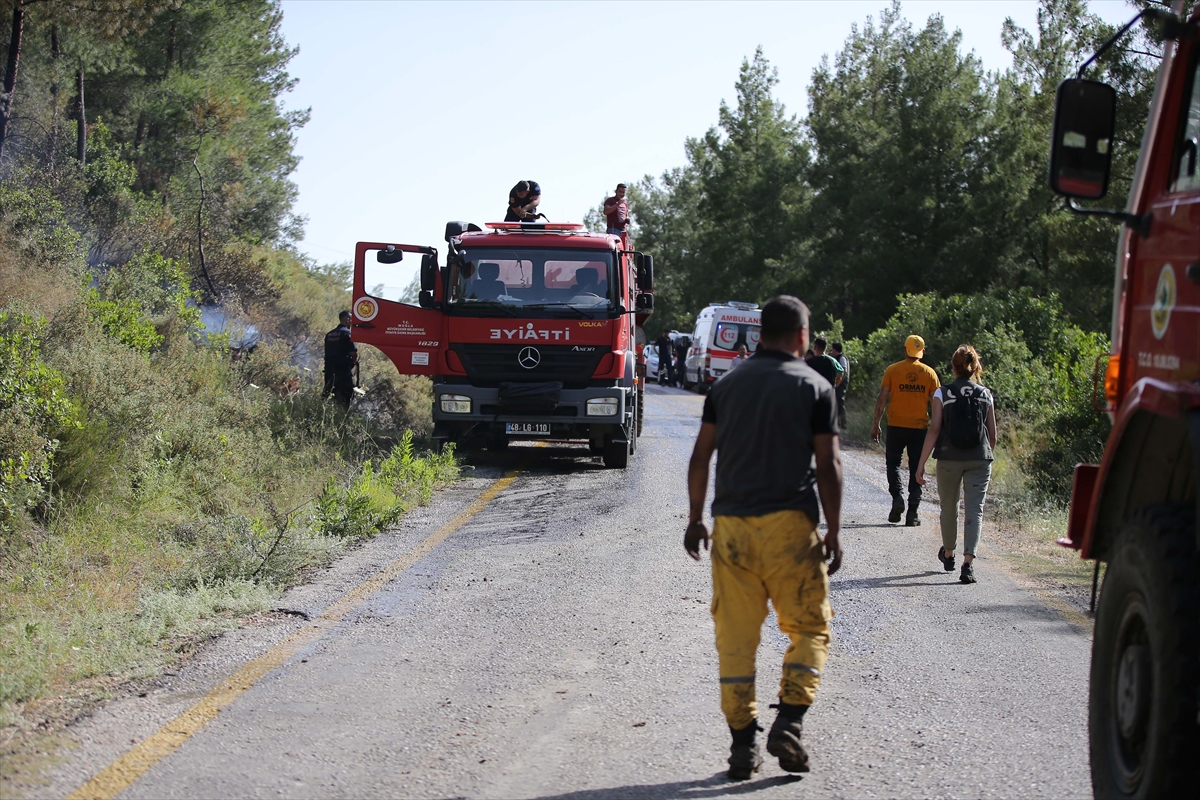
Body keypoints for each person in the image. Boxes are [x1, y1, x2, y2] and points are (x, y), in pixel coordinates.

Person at [685, 295, 843, 781]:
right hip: (791, 529)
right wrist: (833, 530)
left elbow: (700, 457)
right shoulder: (816, 386)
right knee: (810, 630)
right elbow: (829, 464)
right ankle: (789, 722)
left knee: (735, 641)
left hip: (731, 529)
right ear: (801, 336)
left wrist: (696, 519)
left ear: (758, 335)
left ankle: (742, 746)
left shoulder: (726, 386)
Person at [915, 345, 997, 584]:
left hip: (949, 458)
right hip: (980, 459)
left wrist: (921, 463)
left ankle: (948, 554)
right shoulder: (985, 394)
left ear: (953, 367)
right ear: (974, 368)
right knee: (975, 510)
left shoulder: (943, 393)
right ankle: (968, 564)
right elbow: (993, 434)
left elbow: (935, 429)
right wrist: (984, 453)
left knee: (949, 507)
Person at [871, 335, 940, 526]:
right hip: (919, 428)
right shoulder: (930, 374)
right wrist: (937, 429)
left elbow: (882, 398)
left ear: (904, 349)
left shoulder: (893, 370)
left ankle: (897, 499)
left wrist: (875, 423)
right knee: (917, 468)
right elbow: (937, 405)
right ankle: (913, 514)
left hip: (896, 426)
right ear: (922, 352)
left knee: (893, 464)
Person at [323, 310, 358, 409]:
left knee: (329, 394)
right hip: (343, 372)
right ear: (347, 320)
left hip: (329, 370)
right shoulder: (347, 333)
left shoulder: (329, 334)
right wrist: (353, 362)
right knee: (346, 396)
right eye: (352, 320)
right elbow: (353, 353)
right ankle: (342, 419)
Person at [830, 342, 849, 433]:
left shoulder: (842, 358)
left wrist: (838, 382)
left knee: (839, 401)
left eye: (832, 349)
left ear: (835, 349)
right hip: (838, 383)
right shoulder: (837, 358)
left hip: (841, 383)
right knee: (836, 401)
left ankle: (843, 423)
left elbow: (844, 370)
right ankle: (837, 422)